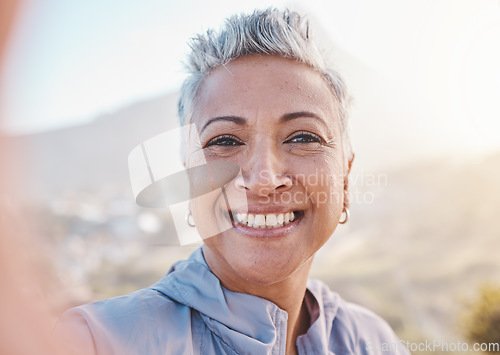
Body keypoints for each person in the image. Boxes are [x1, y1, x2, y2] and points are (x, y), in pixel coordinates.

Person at [56, 8, 410, 355]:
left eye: (303, 137)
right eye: (224, 141)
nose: (263, 181)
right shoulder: (94, 341)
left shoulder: (371, 340)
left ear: (345, 178)